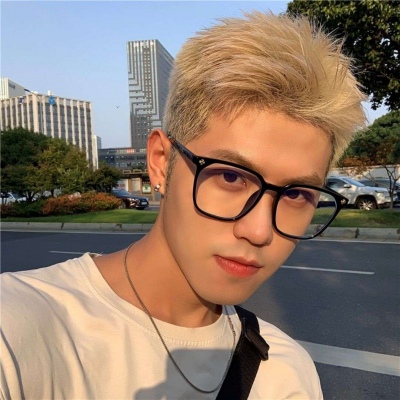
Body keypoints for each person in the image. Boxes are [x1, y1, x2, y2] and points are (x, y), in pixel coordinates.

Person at [1, 11, 366, 400]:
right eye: (231, 177)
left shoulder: (286, 372)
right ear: (161, 161)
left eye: (296, 194)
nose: (260, 231)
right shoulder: (19, 329)